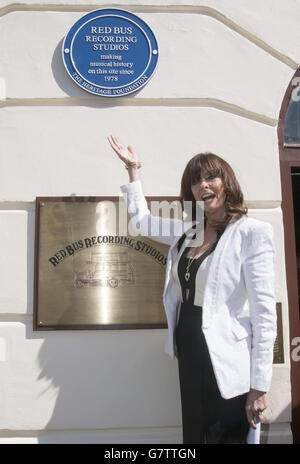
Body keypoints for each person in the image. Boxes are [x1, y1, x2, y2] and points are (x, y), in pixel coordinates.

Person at [107, 135, 277, 444]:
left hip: (226, 355)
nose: (203, 185)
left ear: (227, 182)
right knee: (196, 434)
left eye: (211, 176)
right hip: (188, 343)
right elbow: (142, 222)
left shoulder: (252, 233)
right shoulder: (190, 230)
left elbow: (265, 316)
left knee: (226, 434)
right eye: (195, 181)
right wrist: (133, 170)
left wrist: (259, 386)